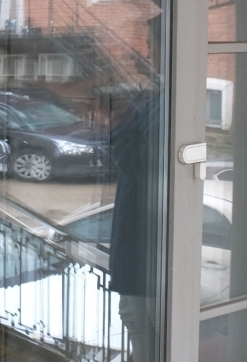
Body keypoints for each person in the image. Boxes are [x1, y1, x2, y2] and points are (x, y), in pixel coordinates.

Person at [109, 79, 165, 362]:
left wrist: (120, 124)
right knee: (134, 316)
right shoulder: (157, 100)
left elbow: (147, 164)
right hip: (143, 243)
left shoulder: (166, 105)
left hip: (146, 244)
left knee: (141, 320)